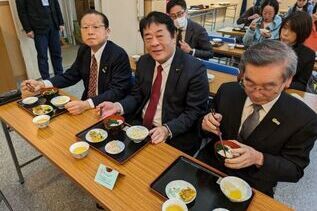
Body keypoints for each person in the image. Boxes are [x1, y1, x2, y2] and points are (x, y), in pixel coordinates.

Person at [198, 40, 317, 196]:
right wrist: (205, 123)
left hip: (254, 182)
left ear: (288, 80)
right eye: (249, 82)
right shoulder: (228, 91)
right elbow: (206, 130)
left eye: (268, 86)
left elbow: (294, 170)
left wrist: (258, 158)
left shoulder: (303, 118)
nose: (256, 93)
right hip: (210, 167)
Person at [97, 11, 209, 156]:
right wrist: (118, 106)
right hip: (139, 127)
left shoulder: (195, 69)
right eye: (148, 38)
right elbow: (137, 95)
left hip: (174, 134)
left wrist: (167, 129)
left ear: (174, 36)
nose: (154, 43)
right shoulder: (144, 62)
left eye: (160, 36)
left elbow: (194, 112)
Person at [21, 10, 132, 115]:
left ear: (107, 32)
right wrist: (42, 84)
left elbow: (117, 91)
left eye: (96, 27)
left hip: (108, 107)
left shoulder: (118, 55)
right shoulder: (84, 50)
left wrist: (86, 104)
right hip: (87, 103)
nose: (90, 32)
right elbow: (71, 75)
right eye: (85, 27)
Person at [16, 0, 65, 79]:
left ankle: (59, 77)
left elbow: (56, 4)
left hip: (53, 24)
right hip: (38, 27)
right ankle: (46, 80)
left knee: (57, 53)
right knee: (43, 56)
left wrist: (61, 22)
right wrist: (28, 29)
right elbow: (22, 11)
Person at [280, 11, 315, 91]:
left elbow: (301, 84)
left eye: (292, 30)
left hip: (286, 93)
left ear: (302, 33)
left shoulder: (308, 54)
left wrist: (279, 84)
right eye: (284, 27)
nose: (285, 33)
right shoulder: (270, 46)